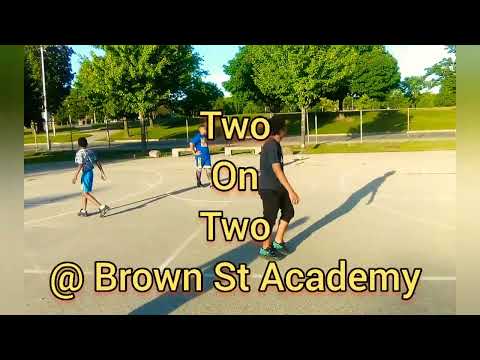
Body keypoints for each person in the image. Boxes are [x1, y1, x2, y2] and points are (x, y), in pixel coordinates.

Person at [258, 117, 300, 260]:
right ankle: (265, 248)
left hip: (277, 185)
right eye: (285, 127)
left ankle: (278, 242)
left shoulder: (275, 144)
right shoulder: (271, 145)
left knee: (288, 211)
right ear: (279, 130)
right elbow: (277, 169)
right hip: (269, 188)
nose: (286, 130)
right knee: (269, 219)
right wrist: (291, 190)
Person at [72, 137, 110, 217]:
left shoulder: (80, 153)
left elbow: (80, 164)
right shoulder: (90, 151)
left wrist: (75, 175)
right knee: (84, 192)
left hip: (86, 174)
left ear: (78, 145)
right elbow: (97, 161)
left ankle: (102, 207)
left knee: (85, 193)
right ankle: (84, 210)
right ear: (87, 144)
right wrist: (102, 172)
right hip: (90, 173)